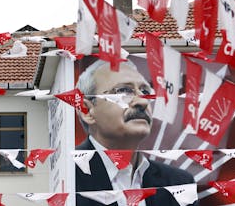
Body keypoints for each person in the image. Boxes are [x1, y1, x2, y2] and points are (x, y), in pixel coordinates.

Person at [75, 59, 198, 206]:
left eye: (146, 92)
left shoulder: (178, 184)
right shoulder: (67, 174)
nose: (143, 101)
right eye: (123, 91)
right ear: (87, 111)